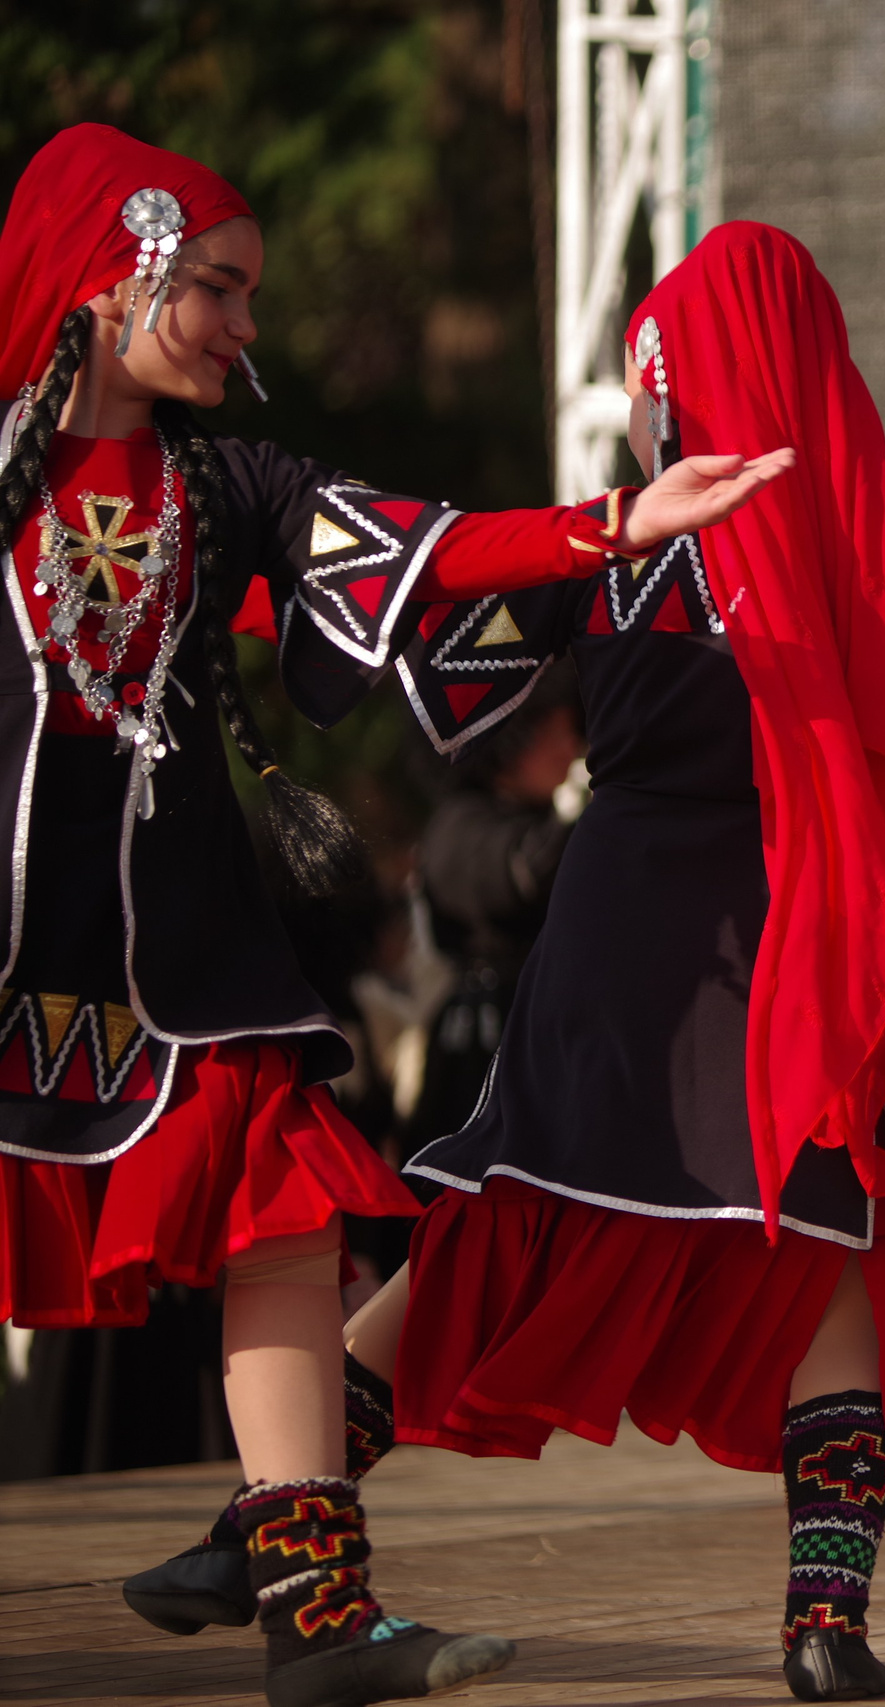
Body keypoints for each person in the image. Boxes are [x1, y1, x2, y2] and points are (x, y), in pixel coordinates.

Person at [137, 221, 885, 1705]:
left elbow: (420, 614)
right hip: (799, 961)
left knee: (488, 1238)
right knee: (819, 1268)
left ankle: (261, 1534)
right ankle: (825, 1626)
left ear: (676, 376)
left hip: (623, 949)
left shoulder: (623, 553)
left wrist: (196, 580)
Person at [0, 124, 783, 1707]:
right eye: (217, 288)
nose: (244, 327)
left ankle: (317, 1614)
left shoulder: (231, 481)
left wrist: (616, 525)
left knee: (283, 1213)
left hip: (176, 948)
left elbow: (423, 559)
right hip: (17, 926)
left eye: (248, 295)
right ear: (107, 276)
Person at [407, 667, 583, 1157]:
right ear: (510, 739)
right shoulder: (459, 825)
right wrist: (573, 810)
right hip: (488, 1040)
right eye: (554, 734)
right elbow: (517, 879)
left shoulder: (549, 820)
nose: (570, 749)